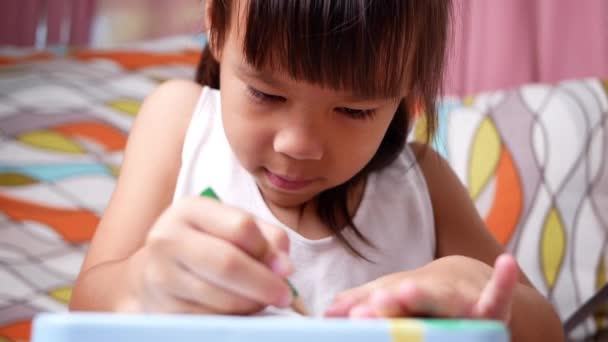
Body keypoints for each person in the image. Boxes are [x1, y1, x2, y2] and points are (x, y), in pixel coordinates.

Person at [70, 0, 564, 340]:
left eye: (354, 111)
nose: (298, 145)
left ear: (406, 93)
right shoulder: (179, 122)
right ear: (217, 29)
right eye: (265, 94)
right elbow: (85, 305)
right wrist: (142, 284)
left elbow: (548, 330)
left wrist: (474, 287)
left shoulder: (424, 185)